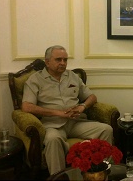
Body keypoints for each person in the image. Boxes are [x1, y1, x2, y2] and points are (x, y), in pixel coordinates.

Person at [21, 45, 113, 175]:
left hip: (76, 122)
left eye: (65, 60)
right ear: (47, 62)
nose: (63, 63)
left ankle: (100, 173)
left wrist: (83, 106)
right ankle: (59, 177)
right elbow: (26, 106)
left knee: (106, 129)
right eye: (58, 60)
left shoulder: (73, 76)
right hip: (53, 125)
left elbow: (92, 97)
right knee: (53, 140)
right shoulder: (35, 79)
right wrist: (57, 113)